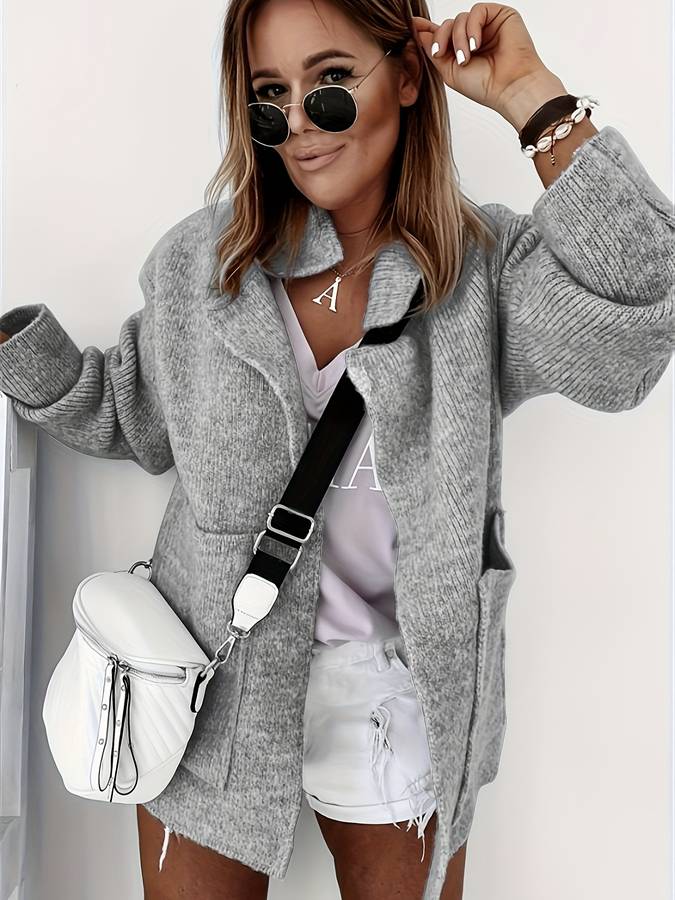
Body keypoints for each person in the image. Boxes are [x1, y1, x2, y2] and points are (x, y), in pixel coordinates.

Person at [1, 1, 673, 898]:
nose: (299, 125)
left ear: (407, 76)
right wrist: (21, 353)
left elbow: (644, 308)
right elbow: (135, 414)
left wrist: (530, 97)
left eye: (329, 84)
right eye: (269, 96)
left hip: (399, 699)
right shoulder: (204, 266)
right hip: (212, 686)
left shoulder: (483, 273)